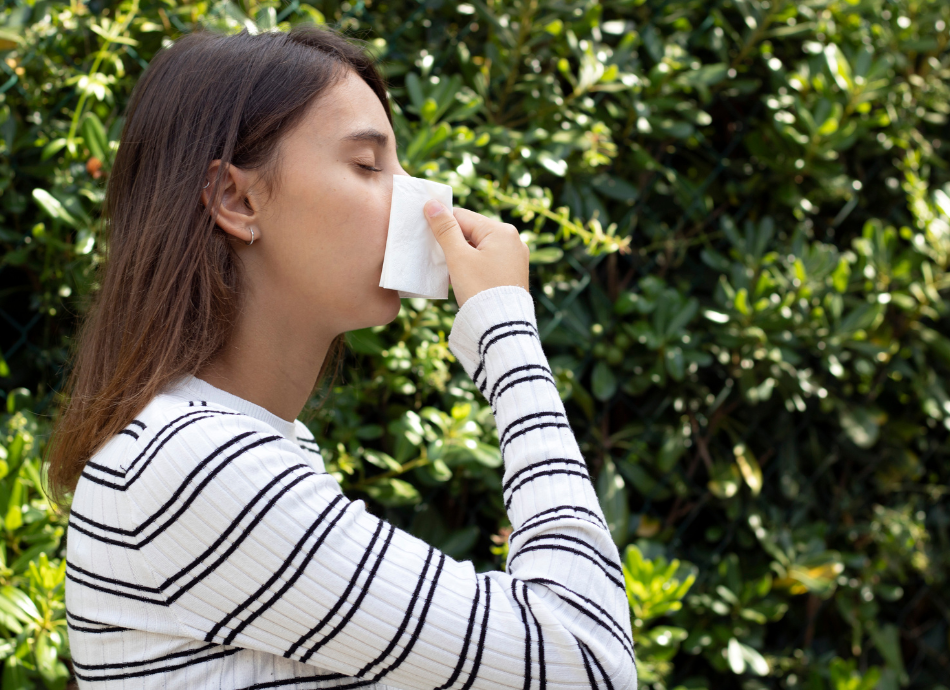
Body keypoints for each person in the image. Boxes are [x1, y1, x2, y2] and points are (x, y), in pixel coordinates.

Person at [45, 24, 637, 690]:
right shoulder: (195, 466)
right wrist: (506, 337)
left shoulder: (251, 446)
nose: (426, 205)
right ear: (237, 199)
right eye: (368, 165)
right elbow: (589, 663)